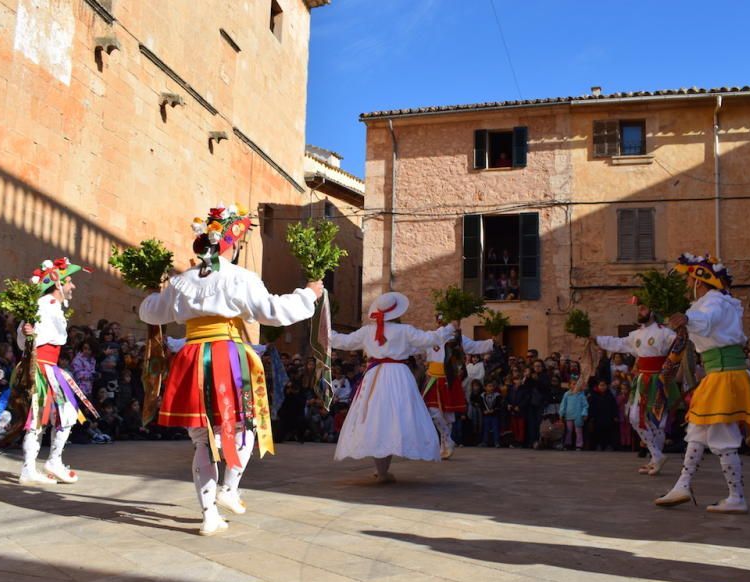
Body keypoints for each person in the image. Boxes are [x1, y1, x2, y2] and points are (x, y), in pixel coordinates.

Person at [139, 206, 321, 536]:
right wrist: (309, 293)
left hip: (192, 357)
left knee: (201, 442)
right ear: (230, 245)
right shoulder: (240, 278)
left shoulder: (181, 282)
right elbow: (273, 312)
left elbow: (151, 313)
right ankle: (229, 488)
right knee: (247, 422)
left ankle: (209, 514)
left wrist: (153, 290)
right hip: (226, 354)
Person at [655, 254, 750, 514]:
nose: (687, 281)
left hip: (725, 374)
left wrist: (687, 321)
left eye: (690, 278)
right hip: (717, 374)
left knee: (724, 437)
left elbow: (705, 321)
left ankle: (736, 496)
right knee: (697, 433)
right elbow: (687, 328)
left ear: (699, 280)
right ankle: (683, 485)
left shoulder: (715, 302)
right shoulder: (707, 303)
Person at [329, 292, 456, 478]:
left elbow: (344, 341)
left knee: (377, 420)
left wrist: (326, 331)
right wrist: (449, 328)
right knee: (395, 419)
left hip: (375, 377)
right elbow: (429, 339)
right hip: (399, 376)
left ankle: (382, 471)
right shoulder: (404, 330)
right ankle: (383, 471)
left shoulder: (367, 331)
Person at [17, 258, 98, 485]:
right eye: (70, 282)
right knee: (41, 418)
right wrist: (28, 333)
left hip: (50, 368)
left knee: (63, 415)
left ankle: (49, 462)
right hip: (42, 368)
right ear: (58, 284)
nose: (73, 287)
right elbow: (25, 337)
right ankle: (33, 467)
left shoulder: (49, 306)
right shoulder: (45, 304)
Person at [594, 297, 678, 474]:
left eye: (643, 309)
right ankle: (657, 456)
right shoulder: (636, 335)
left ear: (652, 312)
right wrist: (598, 340)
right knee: (634, 416)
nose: (639, 312)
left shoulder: (665, 332)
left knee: (658, 421)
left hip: (659, 380)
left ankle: (655, 459)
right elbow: (618, 343)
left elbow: (680, 344)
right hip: (642, 380)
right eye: (639, 309)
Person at [418, 316, 494, 459]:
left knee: (448, 415)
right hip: (433, 378)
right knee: (433, 412)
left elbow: (474, 346)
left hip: (449, 378)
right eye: (439, 321)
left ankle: (444, 445)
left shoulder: (458, 339)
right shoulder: (431, 337)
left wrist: (490, 343)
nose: (441, 324)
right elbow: (417, 345)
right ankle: (447, 438)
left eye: (444, 321)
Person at [557, 378, 588, 450]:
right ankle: (568, 444)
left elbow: (585, 405)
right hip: (569, 415)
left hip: (578, 416)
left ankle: (579, 445)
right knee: (569, 431)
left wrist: (584, 414)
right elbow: (563, 404)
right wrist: (561, 414)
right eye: (573, 384)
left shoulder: (581, 395)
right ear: (569, 385)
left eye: (576, 384)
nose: (575, 385)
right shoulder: (567, 394)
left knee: (578, 431)